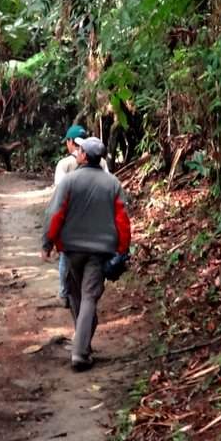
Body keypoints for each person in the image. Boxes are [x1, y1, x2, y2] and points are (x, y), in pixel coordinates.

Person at [41, 136, 131, 372]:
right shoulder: (113, 183)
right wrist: (122, 249)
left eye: (79, 150)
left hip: (71, 250)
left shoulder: (69, 182)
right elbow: (122, 220)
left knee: (76, 296)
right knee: (88, 297)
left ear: (83, 156)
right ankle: (82, 347)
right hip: (99, 252)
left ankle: (80, 351)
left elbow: (55, 214)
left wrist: (47, 243)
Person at [54, 125, 88, 305]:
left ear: (70, 142)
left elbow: (59, 193)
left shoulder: (64, 164)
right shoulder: (99, 161)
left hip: (69, 218)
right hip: (91, 217)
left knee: (65, 256)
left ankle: (64, 293)